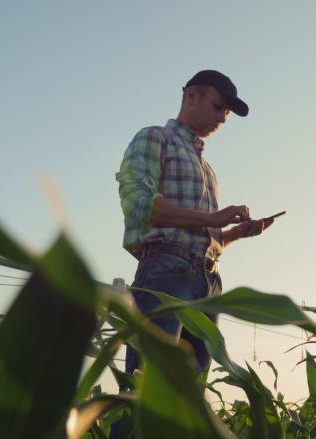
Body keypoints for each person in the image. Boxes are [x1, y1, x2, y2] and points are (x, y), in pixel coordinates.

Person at [115, 69, 275, 375]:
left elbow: (200, 237)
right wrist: (211, 218)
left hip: (207, 281)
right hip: (166, 273)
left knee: (188, 401)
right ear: (191, 96)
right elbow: (137, 203)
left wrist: (234, 234)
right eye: (218, 107)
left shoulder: (208, 169)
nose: (223, 118)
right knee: (148, 387)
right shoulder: (154, 138)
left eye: (227, 112)